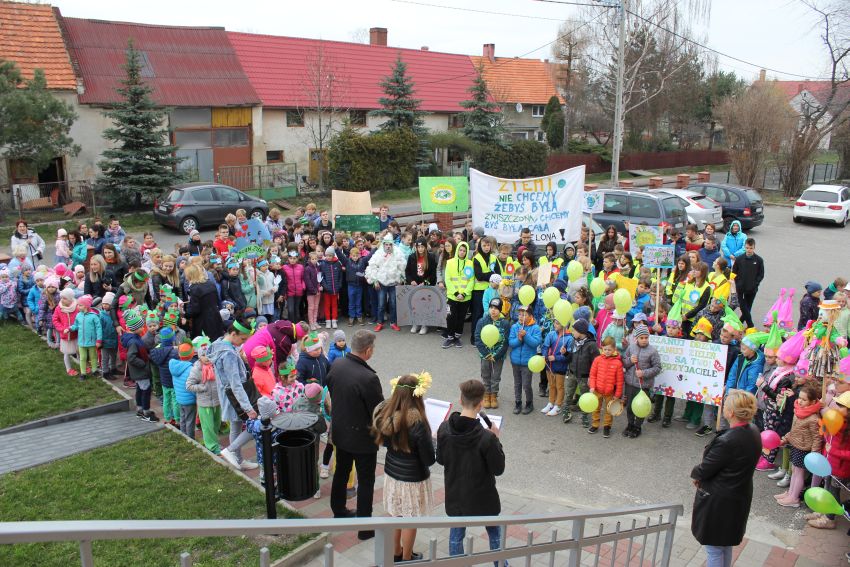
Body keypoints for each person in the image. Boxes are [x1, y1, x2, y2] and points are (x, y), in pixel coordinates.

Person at [437, 379, 506, 566]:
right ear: (481, 403)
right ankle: (500, 563)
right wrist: (496, 439)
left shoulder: (444, 428)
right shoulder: (487, 437)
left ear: (461, 400)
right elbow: (498, 469)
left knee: (456, 536)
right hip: (484, 497)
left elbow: (441, 460)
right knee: (495, 534)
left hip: (456, 494)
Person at [690, 390, 761, 567]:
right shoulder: (753, 430)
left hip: (720, 501)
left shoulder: (728, 441)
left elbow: (705, 469)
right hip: (738, 495)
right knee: (724, 544)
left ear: (730, 413)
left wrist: (696, 474)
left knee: (714, 548)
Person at [371, 373, 436, 562]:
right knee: (410, 520)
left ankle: (396, 553)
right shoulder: (418, 423)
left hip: (392, 474)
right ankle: (407, 559)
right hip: (412, 479)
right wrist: (432, 441)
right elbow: (429, 459)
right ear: (417, 395)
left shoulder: (387, 415)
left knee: (396, 515)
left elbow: (385, 443)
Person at [326, 330, 384, 540]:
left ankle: (339, 511)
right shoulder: (369, 377)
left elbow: (332, 389)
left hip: (341, 432)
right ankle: (365, 528)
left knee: (341, 472)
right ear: (368, 350)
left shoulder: (337, 364)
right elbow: (377, 411)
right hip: (362, 439)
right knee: (366, 481)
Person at [210, 317, 259, 471]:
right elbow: (235, 384)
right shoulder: (229, 354)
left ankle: (238, 460)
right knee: (256, 424)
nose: (243, 342)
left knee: (236, 427)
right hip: (236, 397)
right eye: (242, 339)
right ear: (233, 334)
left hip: (229, 396)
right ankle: (231, 451)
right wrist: (248, 408)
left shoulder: (219, 344)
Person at [777, 382, 822, 508]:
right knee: (794, 471)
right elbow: (794, 430)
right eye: (799, 398)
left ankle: (794, 498)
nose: (800, 401)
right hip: (795, 445)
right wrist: (785, 439)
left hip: (804, 448)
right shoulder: (798, 412)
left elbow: (817, 438)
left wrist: (814, 453)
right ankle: (790, 493)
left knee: (799, 473)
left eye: (804, 399)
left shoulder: (813, 418)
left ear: (813, 402)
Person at [621, 325, 662, 439]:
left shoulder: (653, 351)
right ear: (636, 338)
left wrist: (643, 373)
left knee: (641, 407)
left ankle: (637, 427)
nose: (644, 340)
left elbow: (657, 368)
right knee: (630, 406)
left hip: (643, 386)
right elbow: (624, 362)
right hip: (630, 384)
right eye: (641, 338)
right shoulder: (631, 348)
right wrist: (630, 360)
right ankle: (630, 424)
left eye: (646, 337)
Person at [185, 336, 221, 454]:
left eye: (210, 354)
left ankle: (214, 442)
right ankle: (212, 447)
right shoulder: (197, 369)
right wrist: (202, 387)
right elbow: (189, 385)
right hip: (205, 404)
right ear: (199, 356)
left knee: (216, 425)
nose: (207, 357)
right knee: (208, 427)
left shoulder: (216, 366)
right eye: (204, 355)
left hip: (217, 401)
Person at [122, 309, 159, 422]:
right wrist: (143, 363)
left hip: (138, 372)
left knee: (139, 390)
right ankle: (146, 413)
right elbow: (131, 357)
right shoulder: (134, 342)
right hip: (140, 371)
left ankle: (140, 410)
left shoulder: (135, 338)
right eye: (141, 327)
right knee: (146, 391)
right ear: (135, 328)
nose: (143, 328)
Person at [474, 298, 511, 409]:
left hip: (498, 356)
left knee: (496, 376)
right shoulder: (482, 321)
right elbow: (477, 338)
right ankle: (486, 394)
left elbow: (506, 341)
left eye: (496, 308)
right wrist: (486, 354)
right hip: (485, 355)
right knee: (485, 374)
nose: (493, 310)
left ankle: (494, 395)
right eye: (491, 307)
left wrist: (497, 355)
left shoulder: (505, 323)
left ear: (500, 310)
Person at [365, 234, 406, 332]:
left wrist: (401, 277)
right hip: (382, 283)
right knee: (381, 304)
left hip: (393, 283)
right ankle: (380, 323)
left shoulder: (397, 253)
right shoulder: (378, 254)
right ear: (383, 245)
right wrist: (375, 280)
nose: (388, 246)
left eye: (390, 245)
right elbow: (372, 267)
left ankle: (393, 323)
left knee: (393, 304)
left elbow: (402, 267)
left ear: (392, 245)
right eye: (386, 245)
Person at [588, 336, 625, 438]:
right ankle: (595, 424)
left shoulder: (618, 363)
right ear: (602, 348)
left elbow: (620, 381)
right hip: (597, 390)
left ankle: (607, 426)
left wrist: (617, 395)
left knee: (609, 410)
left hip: (610, 392)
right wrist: (592, 386)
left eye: (609, 349)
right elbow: (593, 375)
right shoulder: (597, 360)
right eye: (605, 349)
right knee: (596, 408)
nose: (607, 351)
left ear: (614, 349)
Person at [508, 304, 542, 415]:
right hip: (515, 361)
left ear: (531, 316)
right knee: (517, 383)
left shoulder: (535, 328)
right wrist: (519, 339)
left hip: (528, 362)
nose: (521, 317)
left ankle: (529, 403)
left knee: (526, 384)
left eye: (524, 315)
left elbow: (535, 343)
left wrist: (526, 335)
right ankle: (518, 402)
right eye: (520, 314)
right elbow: (511, 343)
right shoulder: (515, 327)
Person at [443, 240, 475, 348]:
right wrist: (456, 293)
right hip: (452, 296)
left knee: (461, 318)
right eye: (460, 250)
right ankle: (450, 337)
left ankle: (457, 337)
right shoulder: (450, 262)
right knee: (450, 317)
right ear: (457, 250)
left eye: (464, 251)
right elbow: (448, 279)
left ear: (466, 252)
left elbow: (471, 281)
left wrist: (464, 294)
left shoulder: (470, 263)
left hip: (465, 298)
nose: (462, 252)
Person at [541, 319, 573, 417]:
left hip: (560, 367)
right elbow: (545, 347)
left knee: (559, 386)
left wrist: (555, 358)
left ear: (564, 324)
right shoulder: (551, 334)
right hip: (549, 365)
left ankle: (558, 405)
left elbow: (569, 356)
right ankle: (551, 402)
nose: (555, 324)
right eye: (554, 322)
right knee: (551, 385)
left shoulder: (569, 338)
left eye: (557, 323)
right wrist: (545, 356)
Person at [183, 264, 224, 340]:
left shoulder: (194, 288)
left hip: (203, 322)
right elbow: (217, 300)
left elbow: (195, 310)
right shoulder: (210, 283)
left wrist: (185, 314)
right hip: (215, 316)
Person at [405, 237, 437, 335]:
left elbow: (433, 274)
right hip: (415, 286)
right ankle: (416, 323)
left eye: (422, 247)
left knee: (425, 305)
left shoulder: (430, 257)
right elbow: (407, 271)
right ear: (416, 247)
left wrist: (425, 282)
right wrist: (411, 281)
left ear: (425, 247)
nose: (420, 249)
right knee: (415, 305)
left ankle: (424, 324)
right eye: (418, 247)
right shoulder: (412, 257)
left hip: (425, 285)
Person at [732, 238, 764, 329]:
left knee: (748, 307)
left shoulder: (759, 260)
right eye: (747, 248)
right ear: (744, 247)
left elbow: (761, 274)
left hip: (752, 289)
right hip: (740, 289)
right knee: (743, 307)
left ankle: (739, 324)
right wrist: (738, 283)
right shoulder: (739, 259)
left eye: (751, 248)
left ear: (754, 248)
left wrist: (755, 284)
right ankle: (750, 325)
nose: (749, 250)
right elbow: (734, 272)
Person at [169, 342, 197, 439]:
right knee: (190, 421)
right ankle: (190, 439)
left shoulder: (175, 366)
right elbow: (192, 388)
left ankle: (183, 436)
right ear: (192, 354)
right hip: (189, 400)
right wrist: (197, 397)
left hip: (180, 398)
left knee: (183, 419)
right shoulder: (191, 369)